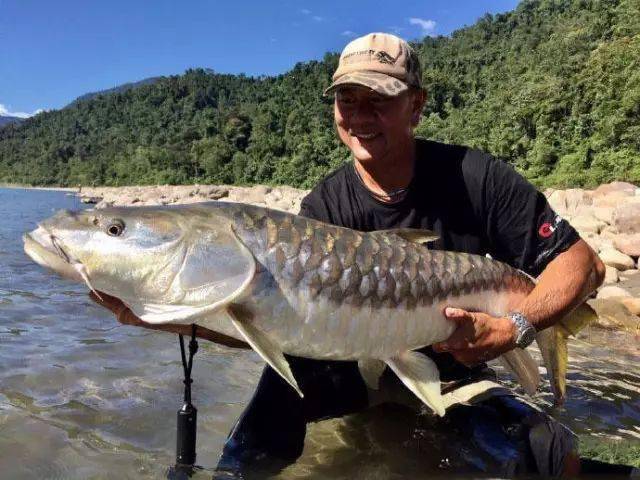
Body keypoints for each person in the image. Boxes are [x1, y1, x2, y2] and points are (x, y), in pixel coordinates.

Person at [95, 33, 610, 477]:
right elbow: (272, 324)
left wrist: (517, 326)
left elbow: (583, 263)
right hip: (354, 364)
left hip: (457, 362)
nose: (360, 118)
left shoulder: (476, 178)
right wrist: (154, 317)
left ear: (416, 104)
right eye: (347, 101)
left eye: (378, 101)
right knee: (251, 444)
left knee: (546, 456)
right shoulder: (323, 207)